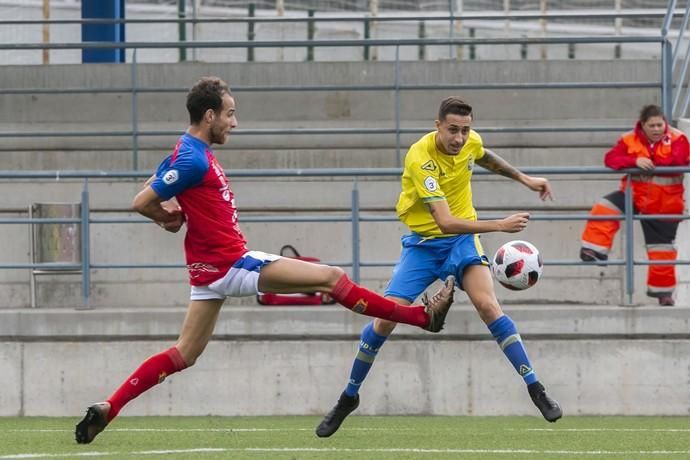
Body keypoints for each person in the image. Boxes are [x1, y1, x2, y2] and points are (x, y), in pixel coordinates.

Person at [74, 77, 456, 444]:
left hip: (206, 273)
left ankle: (110, 408)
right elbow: (140, 201)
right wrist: (163, 216)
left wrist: (170, 216)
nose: (234, 122)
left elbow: (152, 188)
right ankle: (421, 318)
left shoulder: (184, 152)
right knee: (331, 277)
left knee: (183, 353)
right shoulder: (192, 159)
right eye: (229, 114)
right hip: (229, 263)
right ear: (209, 115)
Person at [315, 96, 562, 438]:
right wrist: (500, 226)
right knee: (385, 320)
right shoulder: (421, 158)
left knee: (488, 306)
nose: (459, 138)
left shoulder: (469, 141)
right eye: (452, 131)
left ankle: (535, 388)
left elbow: (482, 155)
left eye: (464, 130)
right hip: (424, 244)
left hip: (462, 243)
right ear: (437, 126)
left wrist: (524, 178)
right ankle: (349, 396)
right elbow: (444, 222)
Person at [580, 104, 689, 307]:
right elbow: (610, 159)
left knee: (661, 251)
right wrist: (634, 160)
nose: (657, 129)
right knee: (604, 207)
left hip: (664, 204)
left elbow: (679, 159)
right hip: (634, 195)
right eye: (652, 125)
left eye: (660, 125)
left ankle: (663, 294)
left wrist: (649, 160)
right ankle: (593, 250)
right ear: (643, 125)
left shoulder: (678, 138)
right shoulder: (629, 139)